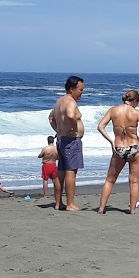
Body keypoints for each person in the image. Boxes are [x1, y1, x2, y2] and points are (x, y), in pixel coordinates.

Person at [95, 89, 139, 215]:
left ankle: (101, 208)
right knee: (134, 181)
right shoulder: (136, 112)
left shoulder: (113, 110)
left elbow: (100, 126)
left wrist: (111, 141)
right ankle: (132, 210)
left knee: (110, 180)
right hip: (134, 148)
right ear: (135, 101)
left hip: (119, 148)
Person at [49, 76, 86, 211]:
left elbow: (51, 117)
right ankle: (70, 203)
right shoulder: (70, 101)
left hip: (61, 139)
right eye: (80, 90)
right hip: (71, 141)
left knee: (61, 172)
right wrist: (74, 129)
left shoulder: (60, 101)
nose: (82, 92)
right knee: (71, 172)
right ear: (72, 89)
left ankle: (58, 203)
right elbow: (70, 115)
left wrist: (59, 130)